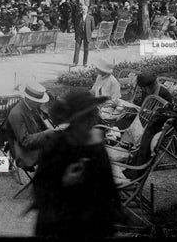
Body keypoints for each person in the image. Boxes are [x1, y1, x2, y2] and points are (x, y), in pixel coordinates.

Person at [31, 90, 123, 238]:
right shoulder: (57, 146)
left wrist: (114, 216)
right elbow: (40, 189)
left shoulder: (96, 143)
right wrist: (64, 181)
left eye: (92, 116)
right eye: (86, 118)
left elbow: (108, 185)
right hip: (62, 222)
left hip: (93, 222)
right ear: (75, 121)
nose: (91, 121)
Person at [6, 82, 66, 169]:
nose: (40, 104)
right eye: (38, 102)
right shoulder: (17, 113)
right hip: (26, 152)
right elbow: (24, 141)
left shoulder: (31, 107)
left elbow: (41, 122)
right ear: (29, 99)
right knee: (61, 151)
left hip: (35, 144)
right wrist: (45, 133)